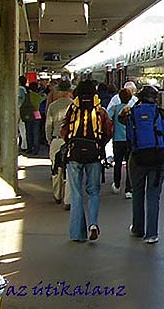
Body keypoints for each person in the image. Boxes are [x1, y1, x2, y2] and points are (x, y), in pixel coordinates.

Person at [120, 85, 164, 244]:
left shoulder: (132, 113)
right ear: (155, 99)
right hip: (158, 159)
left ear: (140, 98)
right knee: (153, 195)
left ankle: (138, 229)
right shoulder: (161, 114)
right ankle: (152, 234)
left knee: (137, 194)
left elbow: (127, 132)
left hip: (138, 159)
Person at [61, 80, 113, 242]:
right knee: (93, 192)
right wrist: (100, 145)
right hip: (94, 154)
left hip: (74, 154)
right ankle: (93, 224)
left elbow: (64, 131)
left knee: (76, 194)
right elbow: (109, 131)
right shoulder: (100, 110)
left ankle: (77, 234)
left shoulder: (73, 109)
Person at [45, 81, 73, 208]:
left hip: (56, 139)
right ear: (69, 91)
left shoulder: (53, 106)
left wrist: (49, 139)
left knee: (56, 168)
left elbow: (48, 125)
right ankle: (68, 200)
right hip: (70, 140)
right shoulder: (74, 105)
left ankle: (57, 195)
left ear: (58, 91)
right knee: (70, 170)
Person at [108, 88, 133, 198]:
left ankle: (117, 184)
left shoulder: (114, 108)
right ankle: (128, 189)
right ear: (130, 98)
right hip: (129, 140)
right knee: (129, 165)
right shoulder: (131, 109)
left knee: (117, 163)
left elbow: (108, 119)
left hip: (117, 140)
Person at [17, 76, 29, 152]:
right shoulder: (26, 90)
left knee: (21, 129)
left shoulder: (20, 89)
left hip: (20, 111)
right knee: (23, 129)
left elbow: (20, 101)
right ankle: (24, 145)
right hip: (25, 111)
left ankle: (23, 146)